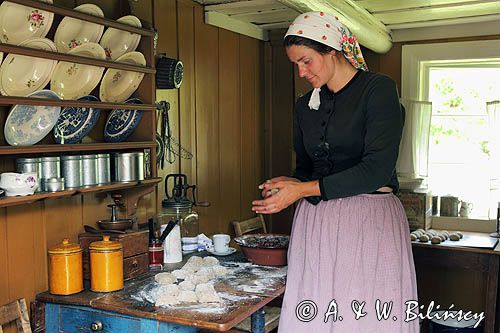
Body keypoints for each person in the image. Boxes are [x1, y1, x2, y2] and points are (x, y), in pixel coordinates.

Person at [251, 11, 418, 332]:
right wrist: (291, 183)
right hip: (318, 223)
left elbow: (376, 170)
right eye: (295, 64)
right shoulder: (304, 106)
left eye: (306, 61)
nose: (301, 72)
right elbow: (307, 169)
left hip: (370, 222)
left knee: (364, 312)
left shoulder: (378, 90)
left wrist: (302, 190)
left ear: (332, 50)